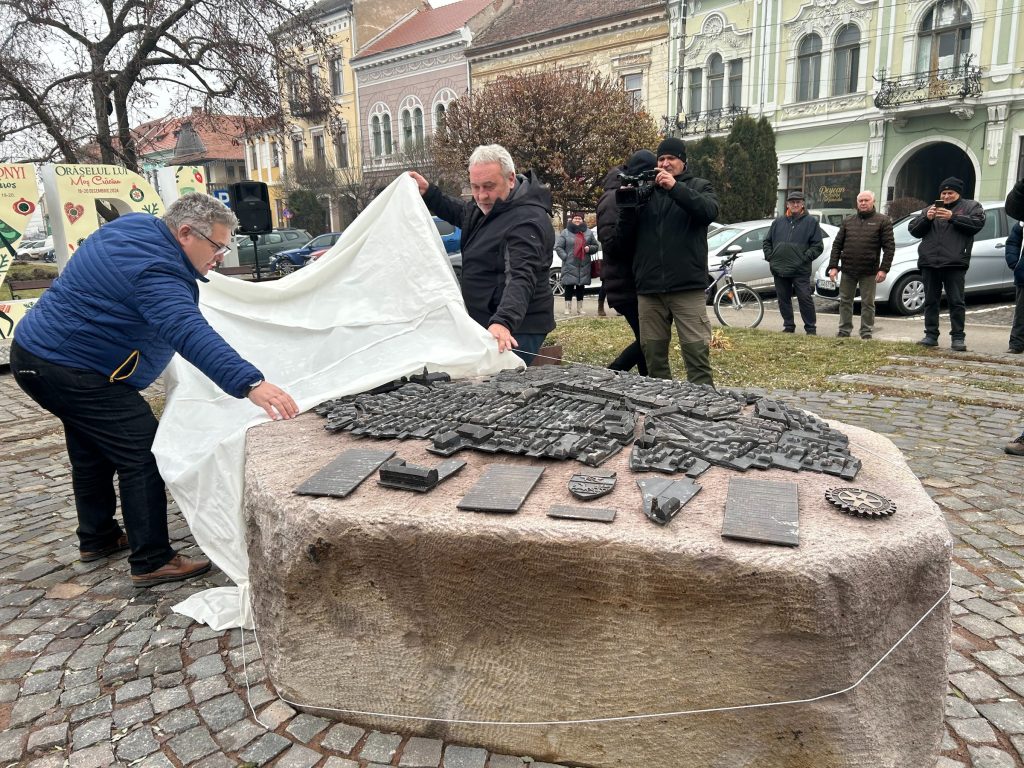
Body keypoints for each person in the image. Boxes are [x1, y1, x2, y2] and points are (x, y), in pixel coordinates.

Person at [9, 194, 299, 587]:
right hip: (73, 368)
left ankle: (98, 538)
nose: (220, 255)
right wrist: (251, 383)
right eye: (217, 245)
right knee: (141, 453)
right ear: (185, 233)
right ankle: (151, 560)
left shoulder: (136, 228)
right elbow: (186, 331)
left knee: (91, 450)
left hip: (38, 355)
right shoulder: (155, 270)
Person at [409, 144, 555, 365]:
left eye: (488, 186)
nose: (481, 195)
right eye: (474, 187)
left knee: (500, 388)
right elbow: (464, 214)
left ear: (511, 179)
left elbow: (521, 276)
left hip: (518, 327)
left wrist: (504, 322)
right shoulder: (491, 207)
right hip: (487, 319)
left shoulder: (527, 220)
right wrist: (430, 194)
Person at [615, 137, 718, 384]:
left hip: (686, 287)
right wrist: (628, 208)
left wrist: (675, 188)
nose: (665, 163)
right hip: (649, 289)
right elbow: (622, 242)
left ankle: (704, 408)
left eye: (671, 158)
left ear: (683, 161)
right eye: (661, 159)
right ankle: (662, 407)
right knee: (653, 358)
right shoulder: (646, 192)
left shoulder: (699, 186)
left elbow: (708, 211)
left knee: (696, 355)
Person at [908, 177, 985, 351]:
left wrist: (953, 217)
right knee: (930, 301)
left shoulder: (972, 207)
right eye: (944, 192)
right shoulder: (930, 208)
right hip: (930, 262)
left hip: (955, 263)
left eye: (950, 193)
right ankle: (931, 335)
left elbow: (977, 224)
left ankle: (958, 337)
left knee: (956, 302)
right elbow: (913, 230)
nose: (947, 196)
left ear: (958, 193)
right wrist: (926, 219)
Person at [597, 150, 654, 376]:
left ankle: (644, 380)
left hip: (632, 281)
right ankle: (612, 373)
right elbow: (612, 244)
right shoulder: (614, 198)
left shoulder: (627, 193)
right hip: (626, 283)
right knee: (649, 339)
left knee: (647, 338)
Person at [827, 190, 896, 340]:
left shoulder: (883, 221)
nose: (863, 203)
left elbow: (889, 248)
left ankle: (866, 332)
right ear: (857, 203)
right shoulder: (848, 221)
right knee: (845, 301)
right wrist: (833, 266)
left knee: (868, 303)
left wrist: (884, 269)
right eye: (861, 201)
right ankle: (844, 330)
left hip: (869, 271)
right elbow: (837, 245)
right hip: (848, 270)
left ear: (873, 202)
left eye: (866, 200)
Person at [762, 191, 823, 335]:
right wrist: (771, 257)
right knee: (783, 300)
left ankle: (810, 328)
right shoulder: (778, 222)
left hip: (800, 270)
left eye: (798, 202)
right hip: (779, 269)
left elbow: (818, 246)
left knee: (804, 299)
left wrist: (804, 258)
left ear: (802, 204)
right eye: (792, 202)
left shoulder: (811, 222)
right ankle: (788, 326)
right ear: (787, 204)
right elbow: (767, 241)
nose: (795, 204)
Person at [555, 212, 598, 316]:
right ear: (572, 219)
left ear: (582, 220)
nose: (577, 220)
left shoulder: (588, 232)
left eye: (579, 218)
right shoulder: (565, 232)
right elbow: (558, 247)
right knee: (569, 286)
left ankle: (580, 308)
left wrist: (589, 248)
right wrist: (565, 257)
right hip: (570, 263)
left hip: (583, 264)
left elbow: (595, 246)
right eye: (576, 218)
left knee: (580, 287)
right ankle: (567, 308)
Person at [1006, 220, 1023, 354]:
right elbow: (1013, 242)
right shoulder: (1021, 224)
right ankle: (1016, 343)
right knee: (1021, 312)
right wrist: (1014, 263)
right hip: (1023, 273)